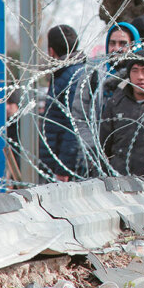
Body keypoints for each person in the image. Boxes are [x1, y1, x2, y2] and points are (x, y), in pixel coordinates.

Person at [71, 21, 142, 176]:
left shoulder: (142, 80)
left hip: (135, 163)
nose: (116, 48)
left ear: (134, 46)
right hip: (98, 161)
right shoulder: (93, 76)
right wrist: (94, 149)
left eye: (123, 43)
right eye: (112, 43)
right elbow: (79, 117)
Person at [40, 25, 86, 181]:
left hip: (65, 168)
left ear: (51, 51)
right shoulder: (68, 73)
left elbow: (74, 126)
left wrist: (63, 169)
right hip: (58, 161)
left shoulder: (71, 76)